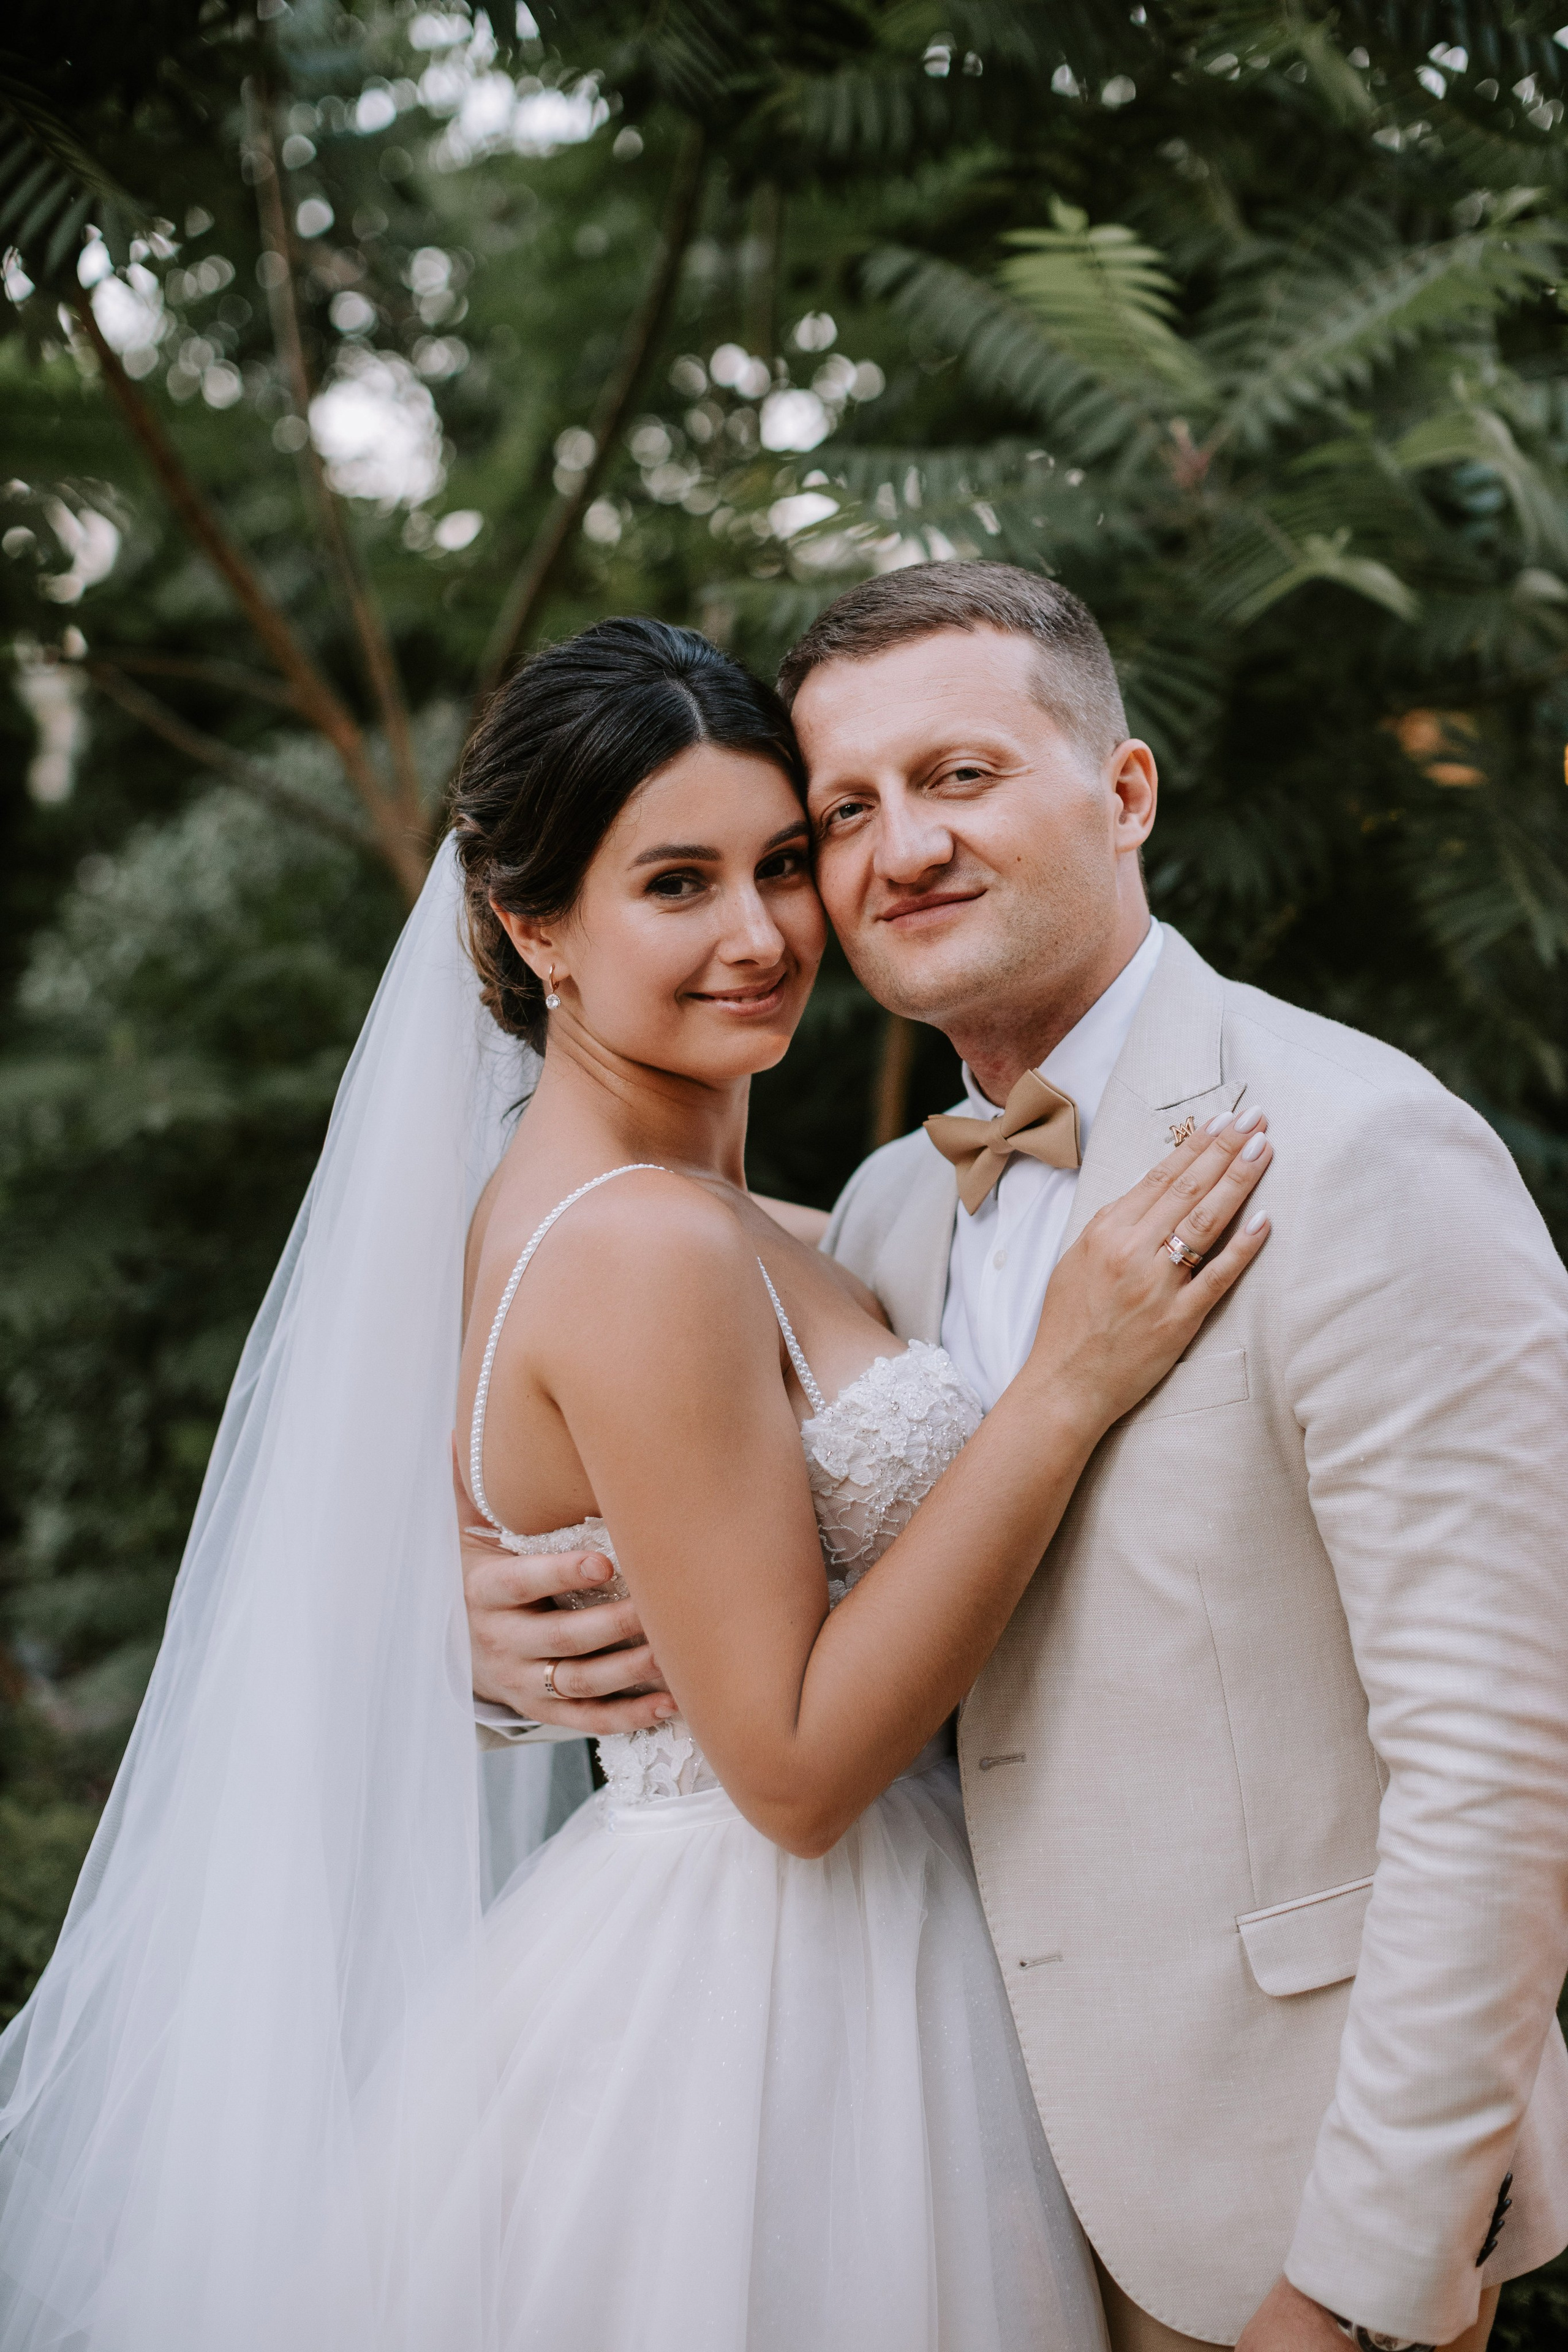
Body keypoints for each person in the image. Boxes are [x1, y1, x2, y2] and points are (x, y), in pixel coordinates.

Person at [0, 616, 1272, 2351]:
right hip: (776, 2005)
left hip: (834, 1946)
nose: (759, 937)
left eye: (779, 865)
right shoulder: (642, 1245)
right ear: (538, 929)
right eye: (677, 883)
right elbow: (800, 1772)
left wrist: (453, 1639)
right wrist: (1056, 1395)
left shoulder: (724, 1218)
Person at [470, 568, 1568, 2352]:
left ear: (1125, 794)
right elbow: (753, 1546)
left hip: (1276, 2207)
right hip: (956, 2173)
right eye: (846, 810)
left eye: (962, 776)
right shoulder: (889, 1208)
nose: (898, 849)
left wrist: (1360, 2285)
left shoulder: (1359, 1154)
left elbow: (1507, 1770)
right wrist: (514, 1645)